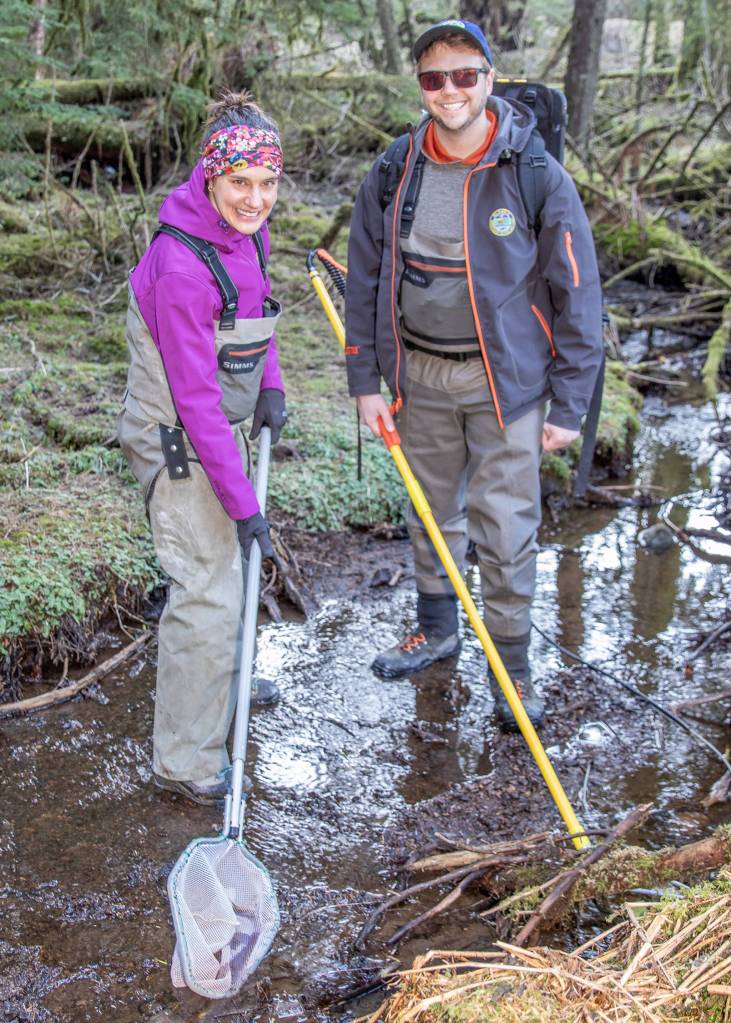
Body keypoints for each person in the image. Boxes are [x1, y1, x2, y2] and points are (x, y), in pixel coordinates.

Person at [344, 20, 603, 729]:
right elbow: (365, 275)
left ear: (489, 78)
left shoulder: (533, 171)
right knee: (430, 513)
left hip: (506, 387)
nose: (449, 90)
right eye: (434, 78)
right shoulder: (396, 168)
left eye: (464, 74)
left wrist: (570, 404)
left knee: (506, 525)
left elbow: (576, 292)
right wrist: (365, 380)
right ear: (420, 85)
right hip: (416, 377)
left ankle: (511, 667)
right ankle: (438, 627)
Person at [117, 91, 287, 803]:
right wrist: (244, 504)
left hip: (223, 425)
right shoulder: (180, 265)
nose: (255, 199)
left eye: (268, 183)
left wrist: (271, 383)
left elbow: (256, 305)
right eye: (240, 183)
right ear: (209, 177)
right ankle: (185, 761)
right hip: (182, 441)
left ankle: (227, 682)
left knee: (235, 570)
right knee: (207, 587)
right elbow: (193, 402)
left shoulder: (244, 233)